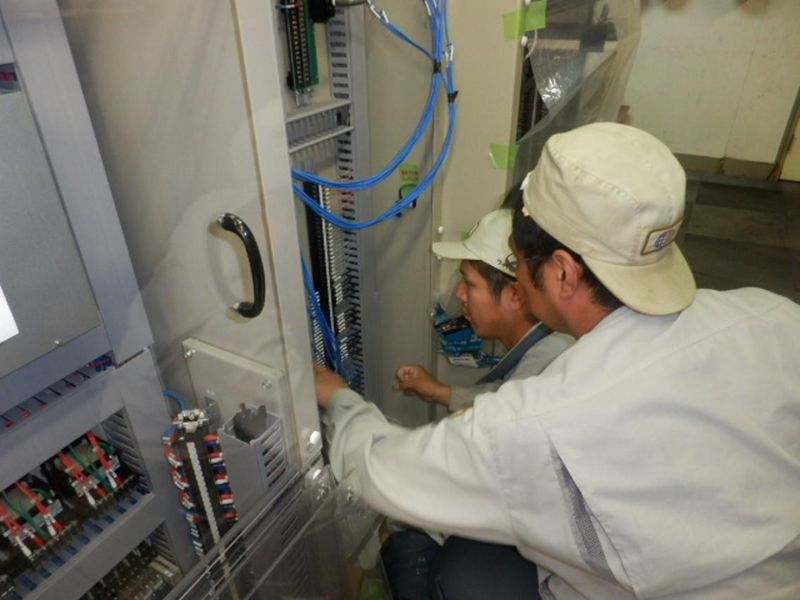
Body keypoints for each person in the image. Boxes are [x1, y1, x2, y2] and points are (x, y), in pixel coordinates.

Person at [316, 122, 800, 599]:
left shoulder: (545, 421)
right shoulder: (773, 316)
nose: (519, 280)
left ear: (563, 272)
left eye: (519, 261)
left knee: (435, 556)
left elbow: (379, 471)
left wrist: (339, 398)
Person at [396, 208, 574, 411]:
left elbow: (507, 412)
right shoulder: (544, 353)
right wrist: (439, 392)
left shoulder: (544, 371)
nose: (459, 294)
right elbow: (504, 398)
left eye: (469, 284)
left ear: (516, 295)